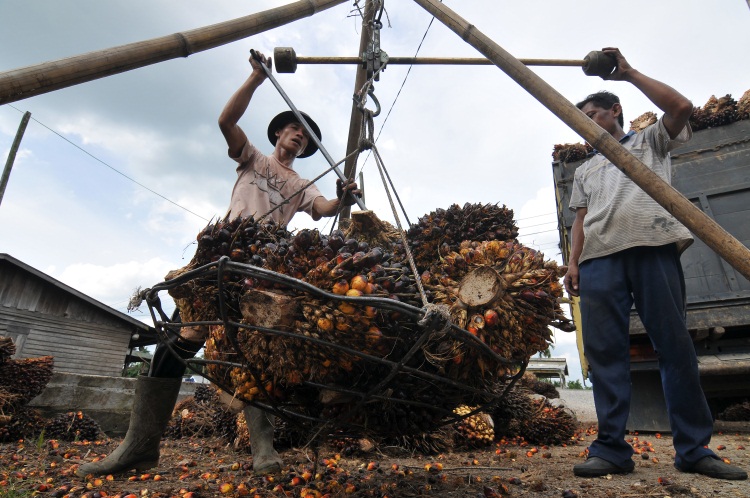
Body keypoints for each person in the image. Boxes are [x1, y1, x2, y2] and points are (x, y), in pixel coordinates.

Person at [77, 49, 360, 478]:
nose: (297, 136)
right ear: (279, 133)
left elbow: (322, 209)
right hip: (221, 256)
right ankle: (139, 446)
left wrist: (345, 195)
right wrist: (255, 79)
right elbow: (226, 122)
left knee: (250, 351)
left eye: (304, 135)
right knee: (177, 343)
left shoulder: (302, 183)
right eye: (291, 129)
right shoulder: (253, 159)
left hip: (264, 267)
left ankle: (263, 448)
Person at [563, 47, 747, 481]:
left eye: (594, 113)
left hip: (653, 248)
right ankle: (610, 449)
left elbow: (681, 107)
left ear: (615, 112)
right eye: (580, 118)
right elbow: (580, 221)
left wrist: (626, 72)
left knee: (674, 347)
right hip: (599, 261)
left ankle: (694, 449)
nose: (587, 122)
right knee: (605, 354)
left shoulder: (650, 141)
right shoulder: (586, 170)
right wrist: (573, 263)